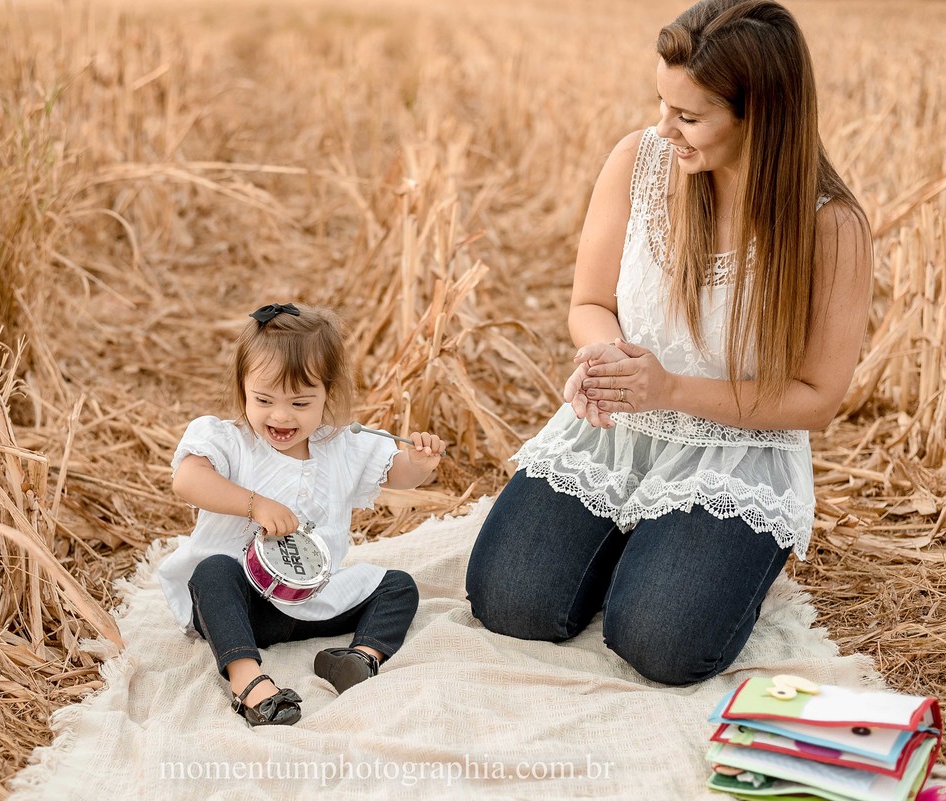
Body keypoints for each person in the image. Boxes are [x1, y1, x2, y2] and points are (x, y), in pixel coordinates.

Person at [465, 0, 872, 686]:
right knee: (509, 598)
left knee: (660, 642)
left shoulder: (830, 228)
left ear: (761, 117)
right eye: (661, 103)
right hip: (620, 429)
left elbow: (816, 399)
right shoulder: (639, 162)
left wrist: (672, 389)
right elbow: (589, 304)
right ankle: (647, 542)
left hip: (735, 453)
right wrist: (604, 359)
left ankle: (691, 547)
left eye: (688, 116)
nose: (664, 128)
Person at [158, 303, 446, 726]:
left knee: (398, 586)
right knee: (212, 571)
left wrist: (418, 465)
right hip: (238, 605)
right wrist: (255, 504)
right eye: (263, 399)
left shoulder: (342, 446)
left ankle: (358, 659)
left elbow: (398, 474)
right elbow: (187, 480)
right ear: (242, 389)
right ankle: (249, 682)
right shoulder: (230, 441)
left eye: (299, 402)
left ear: (328, 394)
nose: (280, 415)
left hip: (311, 600)